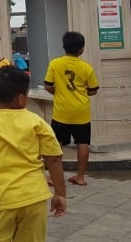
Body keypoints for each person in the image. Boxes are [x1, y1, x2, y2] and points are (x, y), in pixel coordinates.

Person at [0, 66, 67, 241]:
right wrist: (60, 193)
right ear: (21, 98)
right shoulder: (37, 123)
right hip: (34, 199)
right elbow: (54, 160)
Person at [44, 31, 99, 186]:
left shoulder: (55, 64)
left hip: (61, 112)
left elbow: (48, 85)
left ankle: (54, 177)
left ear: (63, 47)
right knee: (83, 143)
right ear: (82, 49)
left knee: (57, 144)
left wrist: (58, 91)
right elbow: (93, 90)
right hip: (81, 111)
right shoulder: (86, 67)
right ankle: (80, 177)